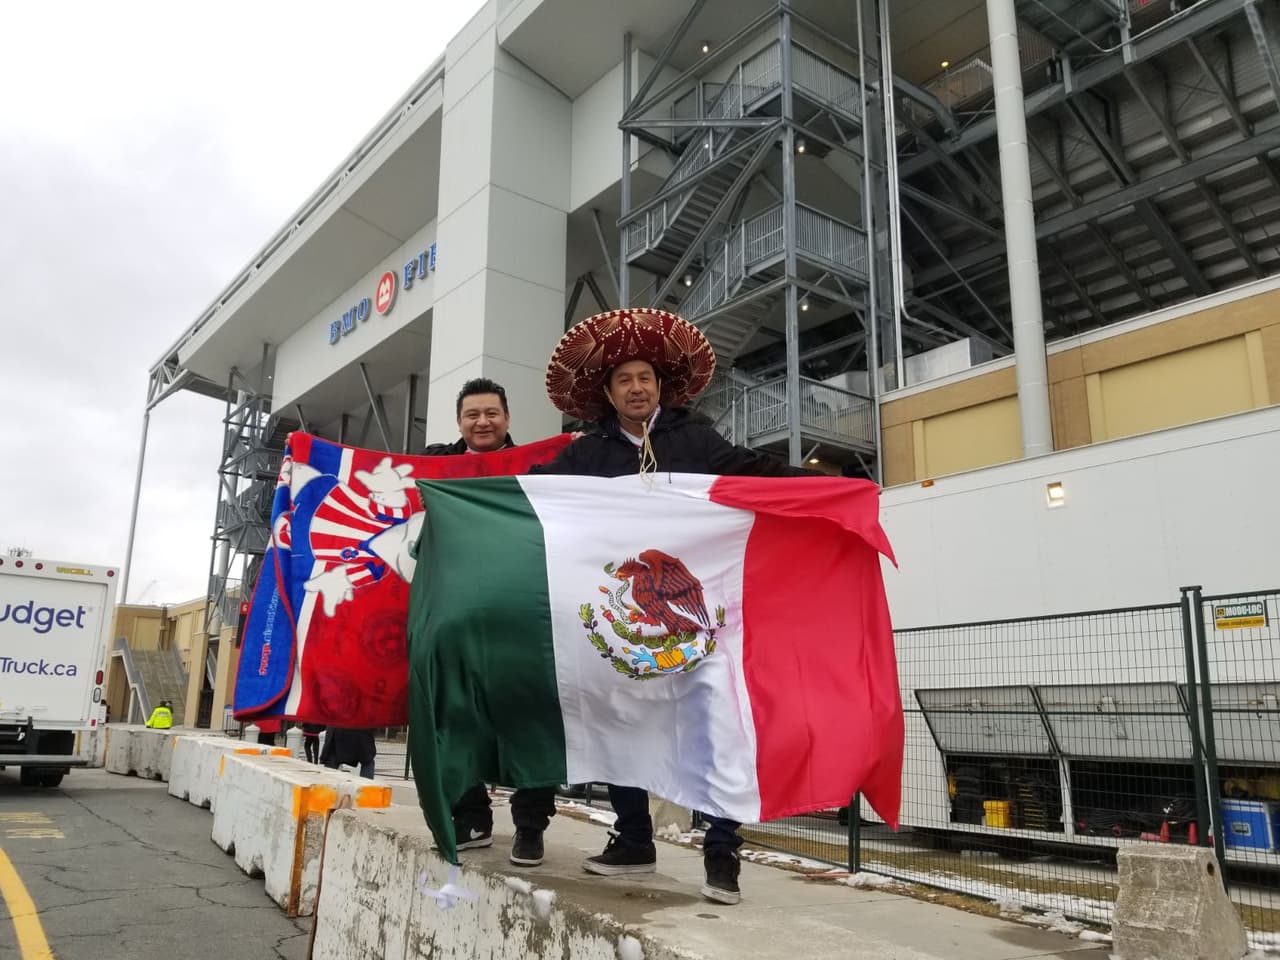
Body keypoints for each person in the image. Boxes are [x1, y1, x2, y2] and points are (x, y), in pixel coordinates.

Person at [532, 307, 816, 906]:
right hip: (621, 620)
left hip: (701, 617)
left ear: (660, 387)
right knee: (620, 722)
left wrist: (824, 485)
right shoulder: (587, 455)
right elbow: (533, 492)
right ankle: (634, 839)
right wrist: (463, 492)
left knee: (715, 730)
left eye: (646, 378)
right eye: (624, 380)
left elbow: (752, 473)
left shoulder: (695, 439)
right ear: (607, 394)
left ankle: (722, 855)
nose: (637, 388)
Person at [424, 377, 558, 868]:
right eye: (472, 414)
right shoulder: (436, 464)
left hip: (521, 613)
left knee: (532, 715)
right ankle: (471, 816)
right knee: (456, 713)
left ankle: (530, 826)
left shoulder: (539, 468)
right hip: (457, 613)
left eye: (491, 413)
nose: (482, 422)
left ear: (507, 418)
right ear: (459, 422)